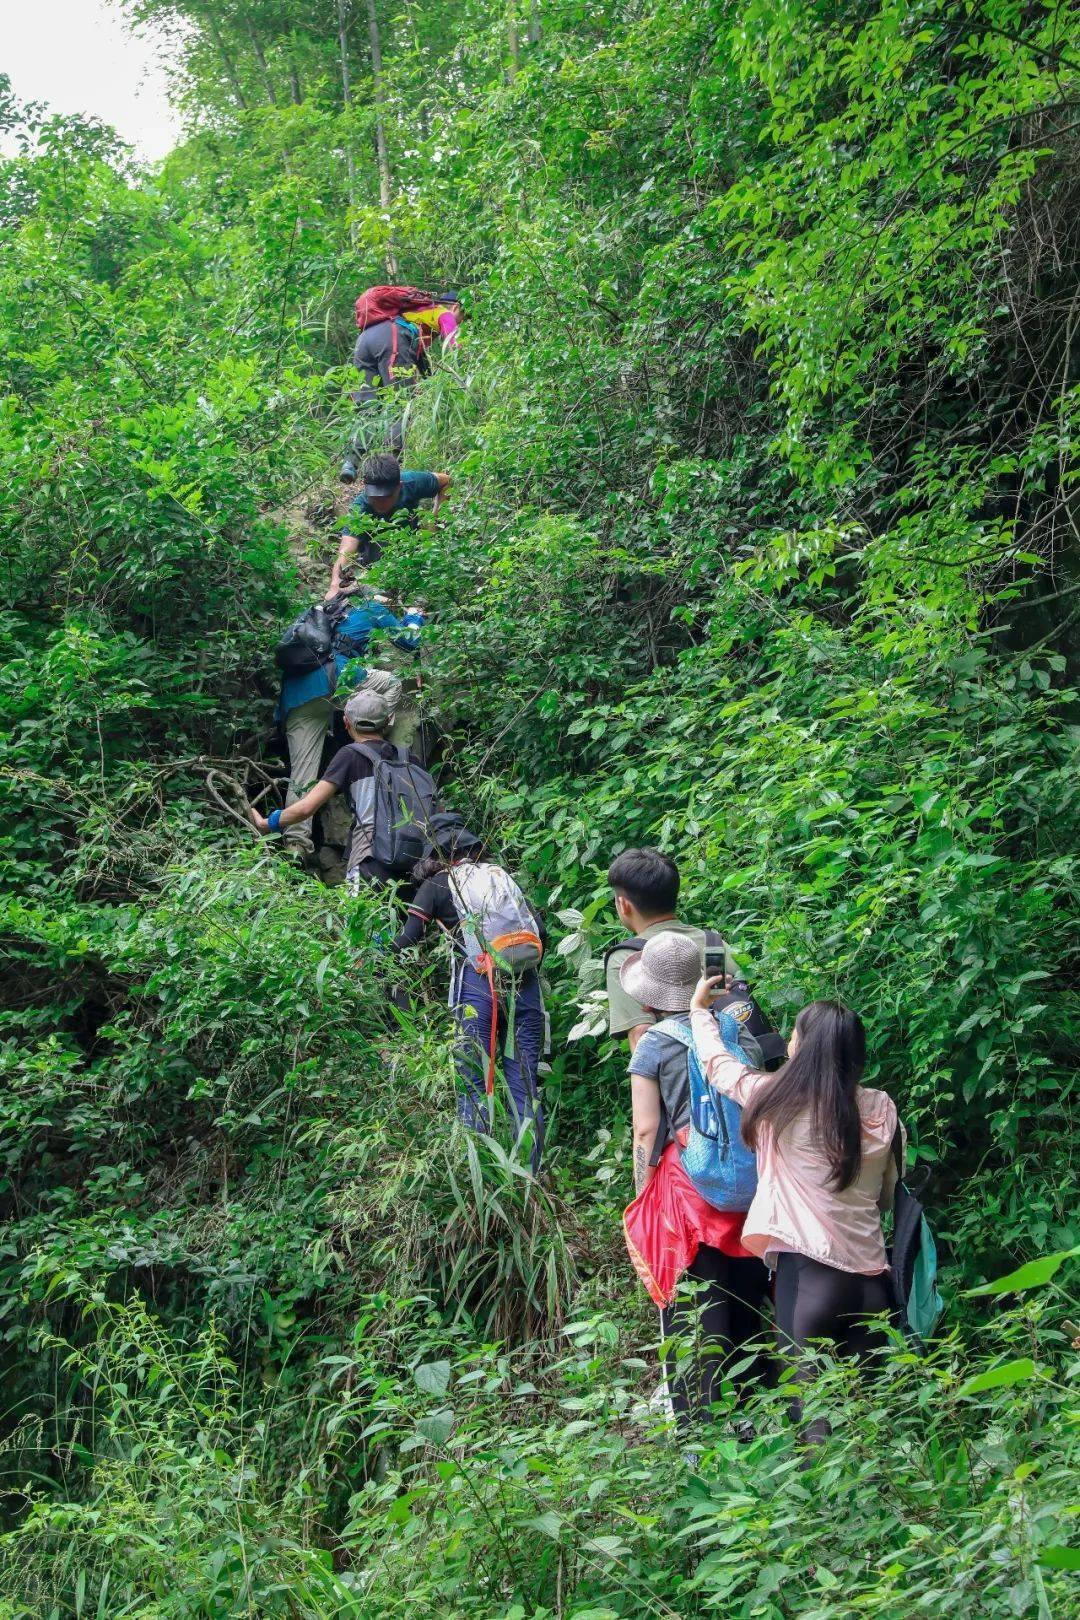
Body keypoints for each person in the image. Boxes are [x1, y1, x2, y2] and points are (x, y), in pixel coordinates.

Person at [689, 980, 904, 1439]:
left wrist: (699, 1011)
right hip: (873, 1287)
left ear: (802, 1048)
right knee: (870, 1428)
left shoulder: (775, 1101)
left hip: (809, 1282)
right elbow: (887, 1197)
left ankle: (827, 1511)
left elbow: (719, 1066)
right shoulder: (882, 1108)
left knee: (814, 1431)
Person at [619, 933, 772, 1425]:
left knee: (694, 1314)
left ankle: (696, 1436)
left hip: (688, 1193)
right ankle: (757, 1420)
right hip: (748, 1189)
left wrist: (644, 1195)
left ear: (650, 996)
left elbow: (646, 1130)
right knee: (749, 1303)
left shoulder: (653, 1046)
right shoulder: (737, 1033)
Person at [389, 812, 547, 1169]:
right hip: (526, 985)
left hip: (477, 987)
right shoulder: (500, 877)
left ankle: (478, 1177)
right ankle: (530, 1181)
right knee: (524, 1084)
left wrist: (375, 954)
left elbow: (408, 940)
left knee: (474, 1081)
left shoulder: (439, 884)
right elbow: (540, 933)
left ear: (437, 852)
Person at [276, 588, 424, 864]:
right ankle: (371, 735)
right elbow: (410, 642)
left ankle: (296, 845)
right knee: (390, 683)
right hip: (338, 677)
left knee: (302, 774)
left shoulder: (323, 612)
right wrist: (414, 617)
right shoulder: (372, 608)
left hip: (296, 695)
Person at [251, 689, 426, 890]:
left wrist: (267, 823)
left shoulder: (350, 755)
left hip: (370, 857)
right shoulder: (409, 760)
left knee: (363, 920)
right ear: (389, 720)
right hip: (414, 859)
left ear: (346, 723)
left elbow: (306, 808)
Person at [606, 848, 740, 1054]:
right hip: (739, 1064)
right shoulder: (712, 942)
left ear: (623, 905)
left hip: (688, 1076)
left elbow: (641, 1036)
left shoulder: (625, 958)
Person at [341, 298, 460, 482]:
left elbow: (421, 360)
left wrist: (430, 382)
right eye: (463, 317)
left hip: (365, 339)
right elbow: (455, 346)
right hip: (392, 338)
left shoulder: (410, 315)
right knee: (401, 404)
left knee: (367, 406)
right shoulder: (443, 312)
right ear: (456, 307)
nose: (461, 322)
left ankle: (350, 464)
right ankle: (392, 467)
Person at [330, 454, 451, 595]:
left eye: (386, 497)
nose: (381, 503)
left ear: (399, 486)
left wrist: (435, 522)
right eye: (375, 497)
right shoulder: (360, 509)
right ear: (364, 486)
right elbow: (346, 550)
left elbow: (446, 481)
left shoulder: (412, 483)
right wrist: (334, 586)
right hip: (376, 560)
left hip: (412, 548)